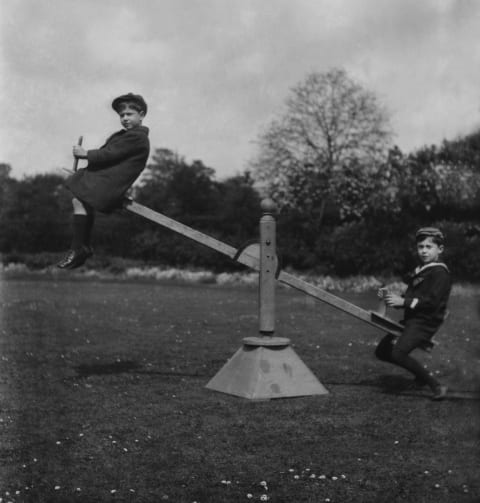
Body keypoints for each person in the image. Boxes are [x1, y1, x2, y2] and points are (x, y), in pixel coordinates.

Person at [57, 93, 150, 269]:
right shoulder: (129, 136)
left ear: (142, 114)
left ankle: (80, 248)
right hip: (105, 181)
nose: (124, 118)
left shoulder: (137, 137)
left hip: (109, 184)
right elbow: (111, 153)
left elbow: (110, 154)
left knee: (79, 196)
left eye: (129, 114)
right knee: (79, 200)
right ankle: (80, 247)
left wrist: (85, 154)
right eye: (122, 115)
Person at [374, 227, 452, 400]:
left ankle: (437, 385)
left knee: (398, 353)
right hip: (413, 319)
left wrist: (404, 302)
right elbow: (412, 298)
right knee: (382, 351)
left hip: (425, 322)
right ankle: (420, 377)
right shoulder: (423, 269)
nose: (423, 251)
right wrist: (389, 298)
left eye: (428, 247)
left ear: (440, 249)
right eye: (420, 247)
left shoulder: (440, 272)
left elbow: (431, 302)